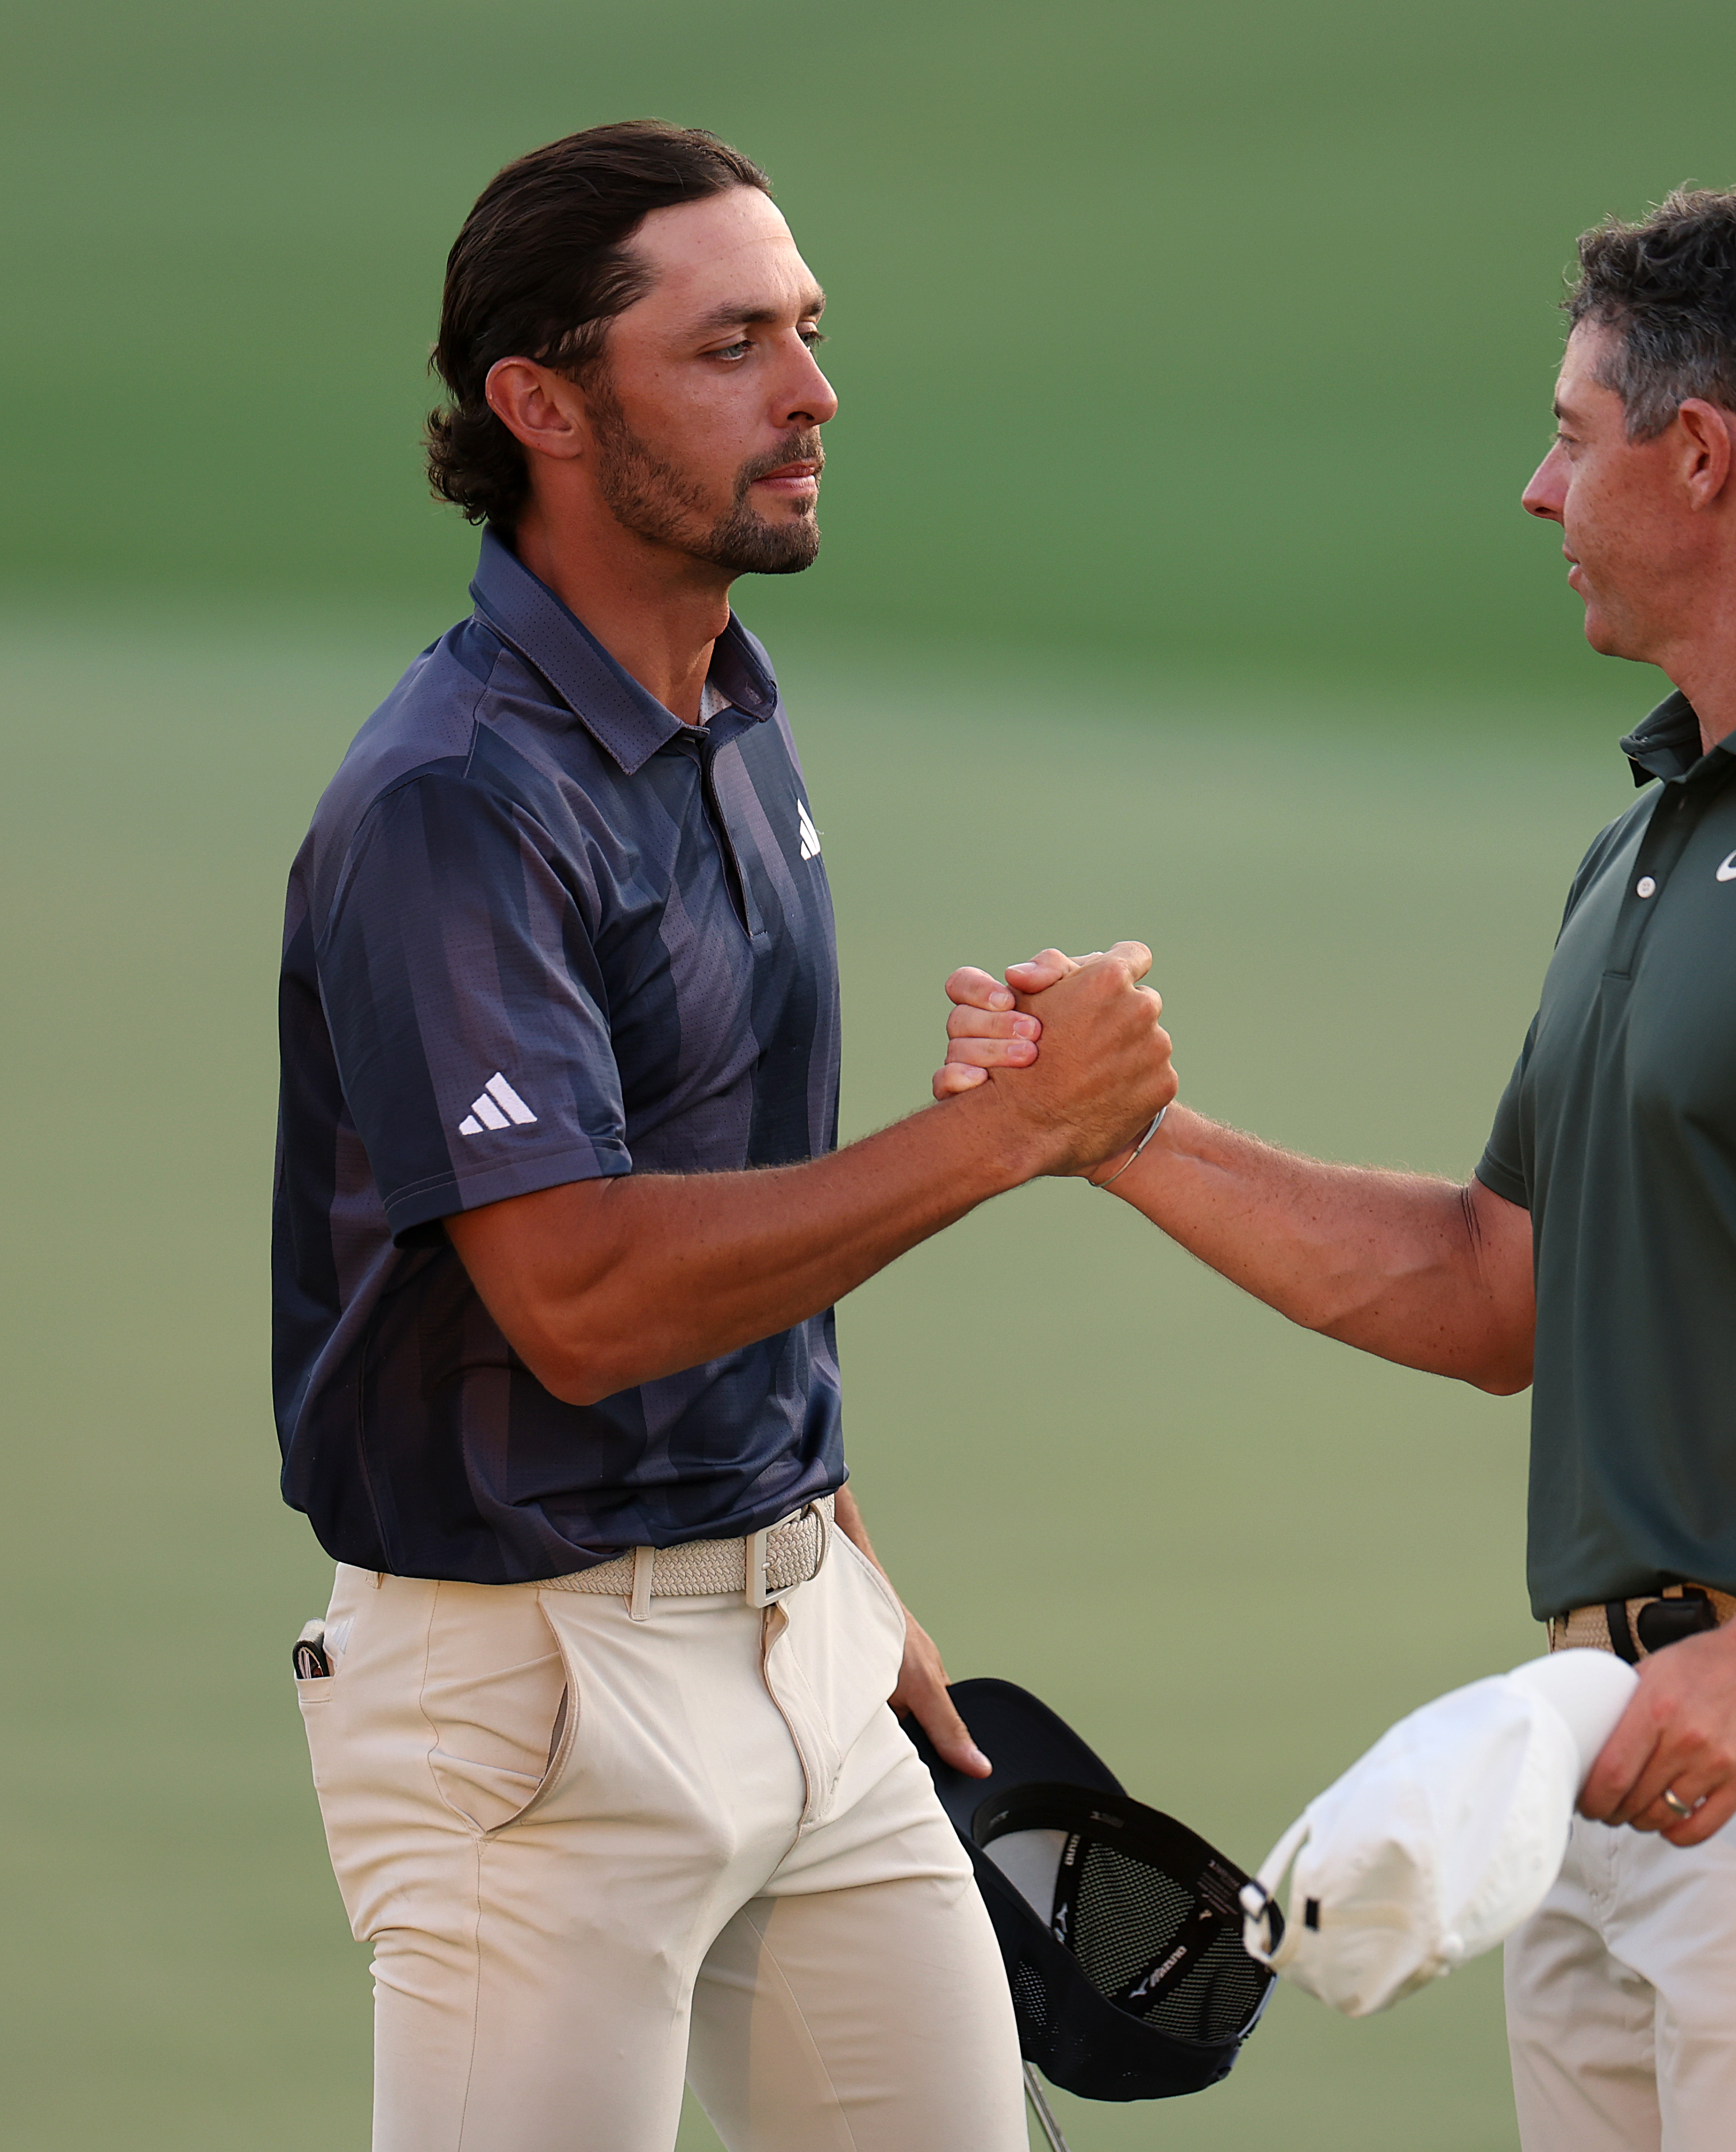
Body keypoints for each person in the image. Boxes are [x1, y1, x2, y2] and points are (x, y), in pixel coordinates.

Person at [941, 186, 1736, 2147]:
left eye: (1569, 438)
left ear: (1702, 457)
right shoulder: (1658, 836)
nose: (1533, 490)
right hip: (1616, 1751)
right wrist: (1122, 1139)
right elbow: (1499, 1284)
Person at [271, 121, 1173, 2152]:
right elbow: (579, 1296)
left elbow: (717, 1198)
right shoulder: (456, 803)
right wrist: (1013, 1136)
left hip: (800, 1651)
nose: (813, 391)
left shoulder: (727, 716)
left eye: (811, 330)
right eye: (732, 343)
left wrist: (831, 1560)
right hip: (535, 1713)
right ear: (542, 406)